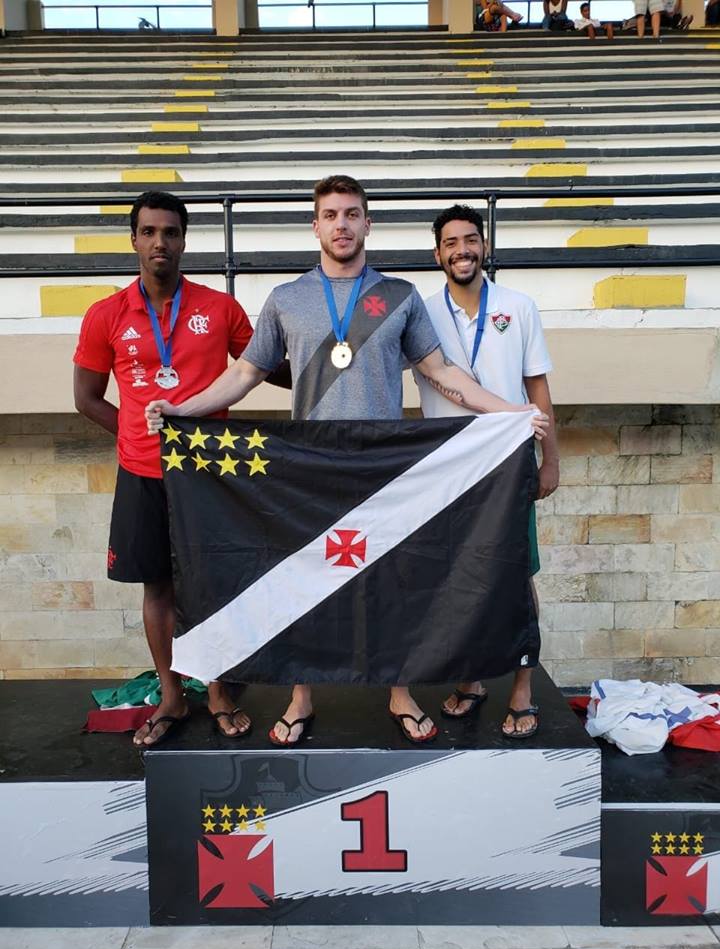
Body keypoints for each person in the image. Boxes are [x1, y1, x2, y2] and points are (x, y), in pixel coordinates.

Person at [145, 174, 549, 746]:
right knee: (305, 579)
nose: (342, 225)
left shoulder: (398, 296)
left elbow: (441, 372)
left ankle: (399, 692)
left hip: (384, 467)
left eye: (352, 214)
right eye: (331, 215)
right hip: (308, 468)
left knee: (392, 579)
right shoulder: (287, 299)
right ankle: (301, 696)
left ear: (367, 223)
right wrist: (181, 410)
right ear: (315, 226)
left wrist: (512, 412)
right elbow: (245, 373)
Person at [73, 190, 286, 748]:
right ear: (134, 239)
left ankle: (216, 692)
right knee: (158, 586)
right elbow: (86, 398)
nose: (160, 242)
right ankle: (171, 695)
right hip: (142, 472)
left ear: (184, 240)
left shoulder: (220, 309)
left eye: (170, 232)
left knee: (211, 585)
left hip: (207, 474)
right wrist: (133, 433)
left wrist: (332, 358)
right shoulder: (105, 315)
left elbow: (266, 368)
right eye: (149, 232)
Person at [415, 204, 560, 739]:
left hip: (509, 463)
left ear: (485, 246)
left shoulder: (518, 306)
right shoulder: (420, 313)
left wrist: (551, 458)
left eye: (471, 240)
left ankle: (522, 688)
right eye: (451, 243)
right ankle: (471, 679)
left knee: (516, 575)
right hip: (449, 467)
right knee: (459, 577)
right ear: (438, 254)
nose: (463, 250)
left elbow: (537, 387)